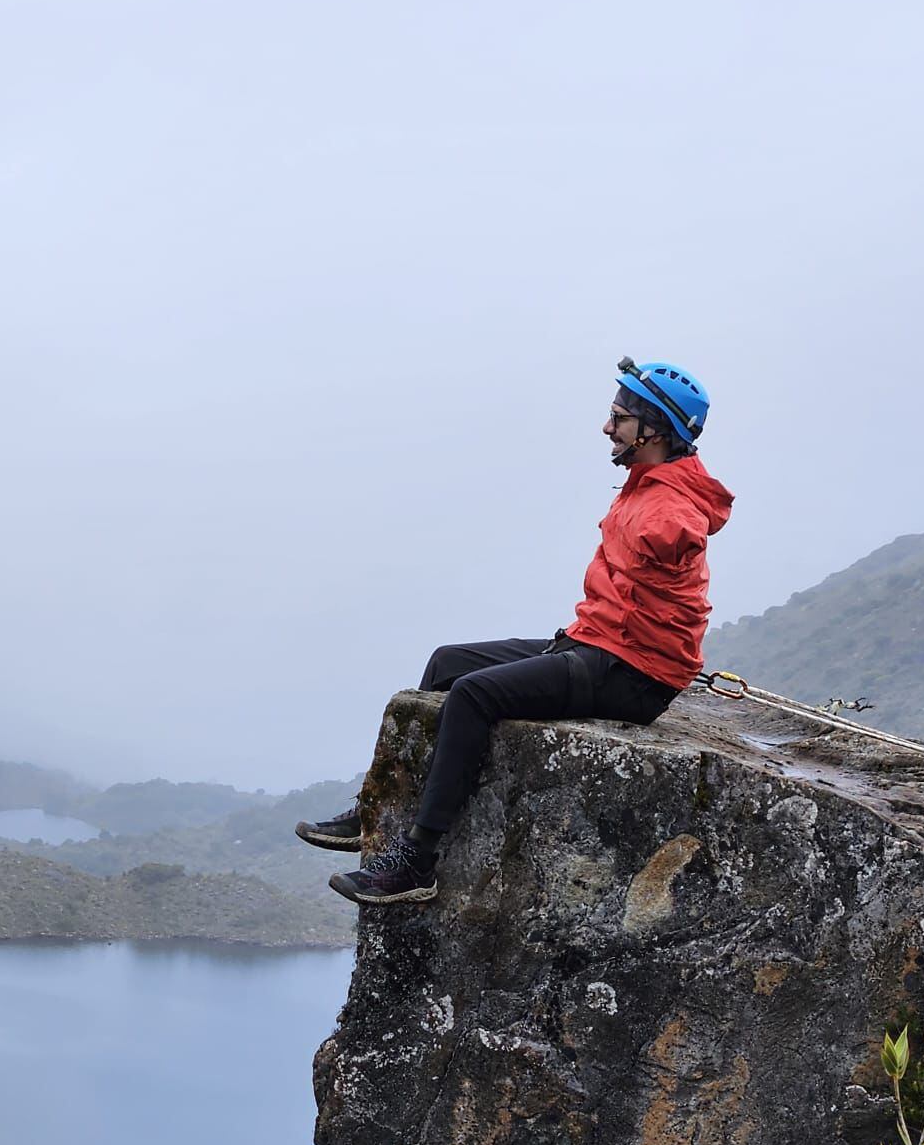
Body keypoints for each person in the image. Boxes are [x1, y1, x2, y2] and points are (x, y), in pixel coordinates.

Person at [298, 356, 734, 905]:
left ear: (654, 430)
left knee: (474, 695)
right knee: (447, 662)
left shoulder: (668, 508)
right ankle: (376, 810)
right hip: (599, 642)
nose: (607, 427)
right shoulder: (648, 482)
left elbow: (682, 537)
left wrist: (673, 543)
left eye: (619, 417)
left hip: (633, 674)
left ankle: (417, 863)